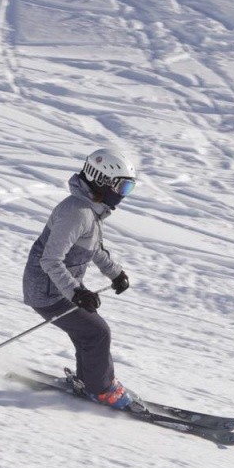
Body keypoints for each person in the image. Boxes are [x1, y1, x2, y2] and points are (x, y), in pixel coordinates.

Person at [22, 147, 137, 409]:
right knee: (97, 332)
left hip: (60, 286)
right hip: (48, 291)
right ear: (103, 181)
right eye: (122, 187)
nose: (123, 195)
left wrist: (115, 273)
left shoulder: (91, 210)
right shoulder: (77, 213)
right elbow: (50, 260)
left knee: (88, 332)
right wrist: (76, 292)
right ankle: (102, 389)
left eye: (128, 189)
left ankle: (91, 381)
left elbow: (93, 248)